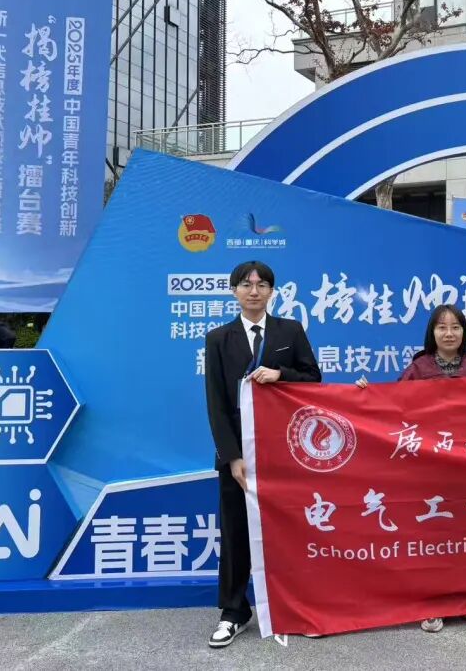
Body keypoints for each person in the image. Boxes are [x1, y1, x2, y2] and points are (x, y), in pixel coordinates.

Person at [356, 304, 466, 634]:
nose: (449, 333)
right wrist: (365, 393)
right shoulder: (418, 369)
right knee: (432, 536)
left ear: (464, 332)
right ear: (432, 333)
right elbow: (392, 404)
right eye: (442, 327)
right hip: (429, 469)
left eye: (455, 327)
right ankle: (433, 603)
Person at [205, 261, 322, 649]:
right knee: (236, 532)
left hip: (284, 451)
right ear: (234, 290)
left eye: (262, 285)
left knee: (289, 530)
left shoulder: (290, 331)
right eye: (246, 284)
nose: (253, 291)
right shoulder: (218, 339)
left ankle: (296, 609)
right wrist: (231, 456)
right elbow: (216, 403)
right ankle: (234, 612)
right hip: (239, 455)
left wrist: (281, 374)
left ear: (273, 291)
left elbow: (313, 379)